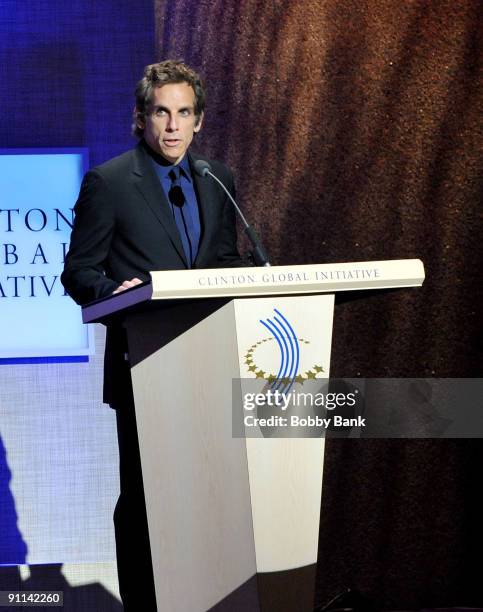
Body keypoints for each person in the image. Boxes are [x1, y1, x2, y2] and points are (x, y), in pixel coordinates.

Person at [61, 60, 242, 611]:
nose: (172, 126)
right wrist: (117, 290)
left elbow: (226, 262)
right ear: (141, 118)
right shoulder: (111, 183)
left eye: (184, 113)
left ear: (199, 122)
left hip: (212, 369)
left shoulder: (217, 182)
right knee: (147, 503)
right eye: (161, 112)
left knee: (212, 499)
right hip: (146, 370)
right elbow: (78, 272)